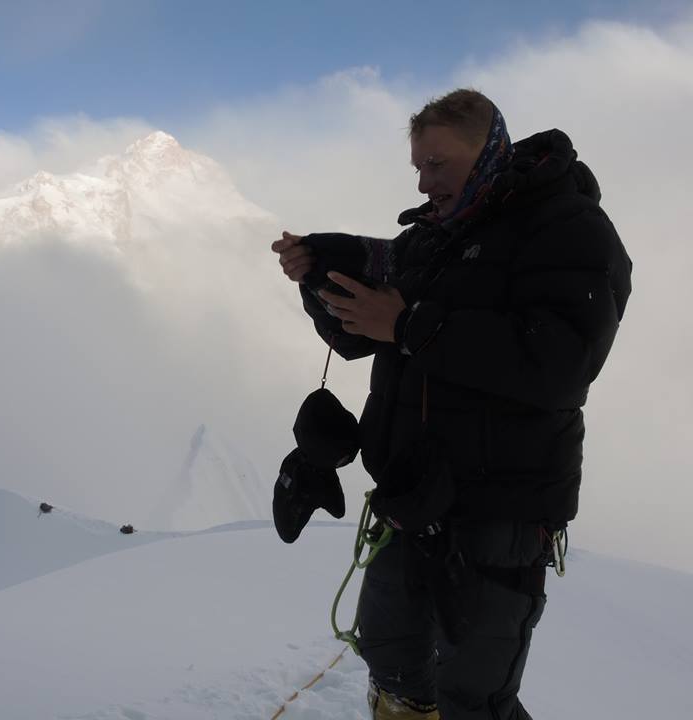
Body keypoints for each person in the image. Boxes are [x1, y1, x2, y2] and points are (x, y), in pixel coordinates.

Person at [271, 89, 632, 719]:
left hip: (501, 513)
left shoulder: (569, 228)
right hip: (414, 497)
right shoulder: (433, 239)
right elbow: (358, 336)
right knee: (391, 657)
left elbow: (562, 365)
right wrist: (317, 278)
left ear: (489, 149)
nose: (423, 180)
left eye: (437, 164)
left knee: (475, 697)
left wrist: (411, 327)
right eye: (417, 165)